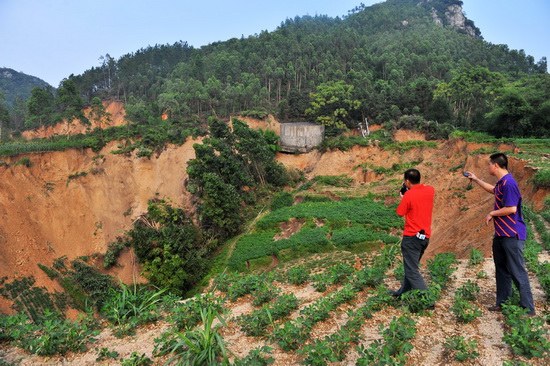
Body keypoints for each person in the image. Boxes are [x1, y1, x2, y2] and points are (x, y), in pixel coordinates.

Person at [465, 153, 535, 315]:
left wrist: (492, 213)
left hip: (512, 233)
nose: (488, 167)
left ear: (495, 165)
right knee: (502, 269)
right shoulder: (502, 182)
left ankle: (528, 308)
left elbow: (511, 208)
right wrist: (476, 179)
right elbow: (493, 190)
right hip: (502, 234)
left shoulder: (509, 183)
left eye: (489, 164)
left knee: (517, 270)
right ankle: (502, 302)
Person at [391, 168, 435, 297]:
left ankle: (427, 299)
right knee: (411, 266)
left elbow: (399, 213)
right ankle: (402, 292)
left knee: (411, 271)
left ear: (407, 181)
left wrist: (403, 197)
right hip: (424, 237)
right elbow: (424, 188)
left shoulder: (408, 195)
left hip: (411, 237)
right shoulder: (430, 190)